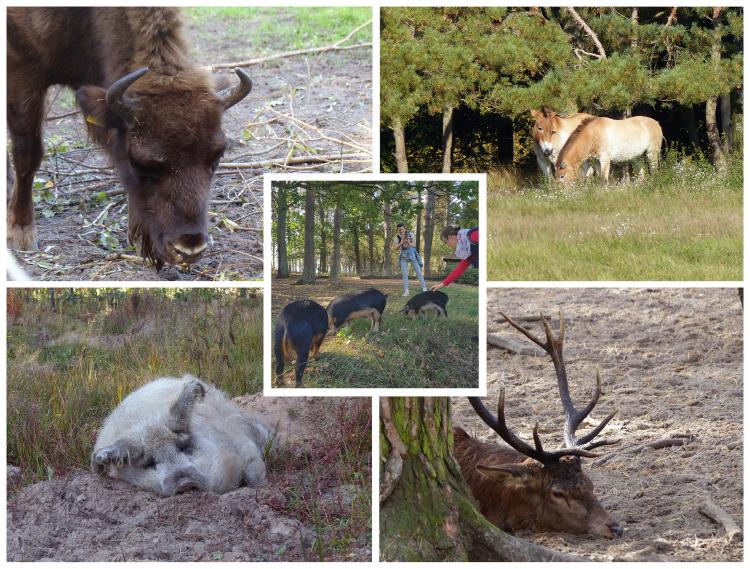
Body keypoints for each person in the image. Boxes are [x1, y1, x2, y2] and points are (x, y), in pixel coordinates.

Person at [431, 226, 479, 291]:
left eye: (445, 242)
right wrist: (441, 284)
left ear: (451, 237)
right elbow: (458, 270)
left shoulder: (473, 235)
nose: (447, 245)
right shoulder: (467, 251)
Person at [392, 223, 427, 296]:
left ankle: (424, 288)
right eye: (399, 230)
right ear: (397, 230)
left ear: (405, 228)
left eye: (402, 229)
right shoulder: (396, 237)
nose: (401, 231)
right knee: (405, 274)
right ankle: (406, 291)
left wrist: (408, 242)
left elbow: (414, 245)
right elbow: (395, 247)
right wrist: (401, 242)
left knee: (418, 272)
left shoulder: (410, 234)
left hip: (412, 254)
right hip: (403, 256)